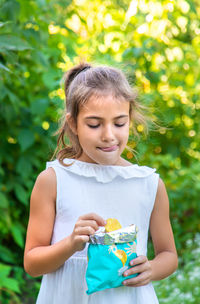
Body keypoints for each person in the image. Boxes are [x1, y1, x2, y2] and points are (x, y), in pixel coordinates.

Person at [24, 63, 178, 304]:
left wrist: (152, 269)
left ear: (130, 119)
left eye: (119, 123)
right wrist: (70, 244)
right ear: (73, 123)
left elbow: (168, 255)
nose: (109, 135)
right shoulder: (54, 180)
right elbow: (32, 263)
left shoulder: (148, 184)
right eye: (94, 124)